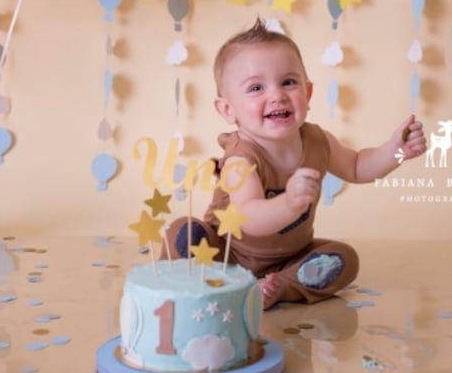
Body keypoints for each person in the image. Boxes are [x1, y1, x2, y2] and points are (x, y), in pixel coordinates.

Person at [162, 18, 427, 309]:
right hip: (225, 255)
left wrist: (394, 152)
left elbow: (356, 167)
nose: (277, 95)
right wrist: (289, 203)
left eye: (288, 82)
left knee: (343, 258)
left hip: (288, 258)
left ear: (308, 93)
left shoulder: (316, 140)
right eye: (256, 88)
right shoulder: (240, 158)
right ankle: (212, 284)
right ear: (228, 109)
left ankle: (280, 286)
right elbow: (249, 214)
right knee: (182, 231)